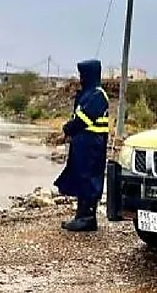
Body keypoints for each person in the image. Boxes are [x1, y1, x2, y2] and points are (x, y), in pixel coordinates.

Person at [53, 59, 110, 232]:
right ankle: (81, 216)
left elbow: (84, 119)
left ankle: (87, 218)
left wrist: (67, 130)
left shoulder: (98, 95)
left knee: (88, 177)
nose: (80, 78)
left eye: (82, 74)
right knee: (80, 175)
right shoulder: (88, 93)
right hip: (83, 144)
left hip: (92, 145)